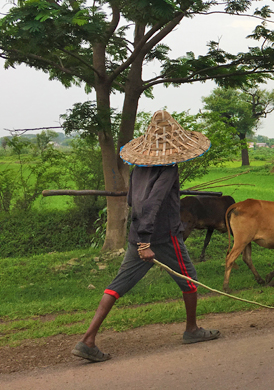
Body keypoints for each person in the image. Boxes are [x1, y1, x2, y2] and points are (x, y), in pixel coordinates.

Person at [72, 110, 220, 362]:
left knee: (117, 285)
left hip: (137, 233)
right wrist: (145, 242)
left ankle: (87, 340)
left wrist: (140, 237)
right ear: (176, 145)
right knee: (190, 280)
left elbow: (133, 200)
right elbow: (152, 204)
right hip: (163, 237)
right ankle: (192, 330)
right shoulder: (169, 169)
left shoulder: (137, 167)